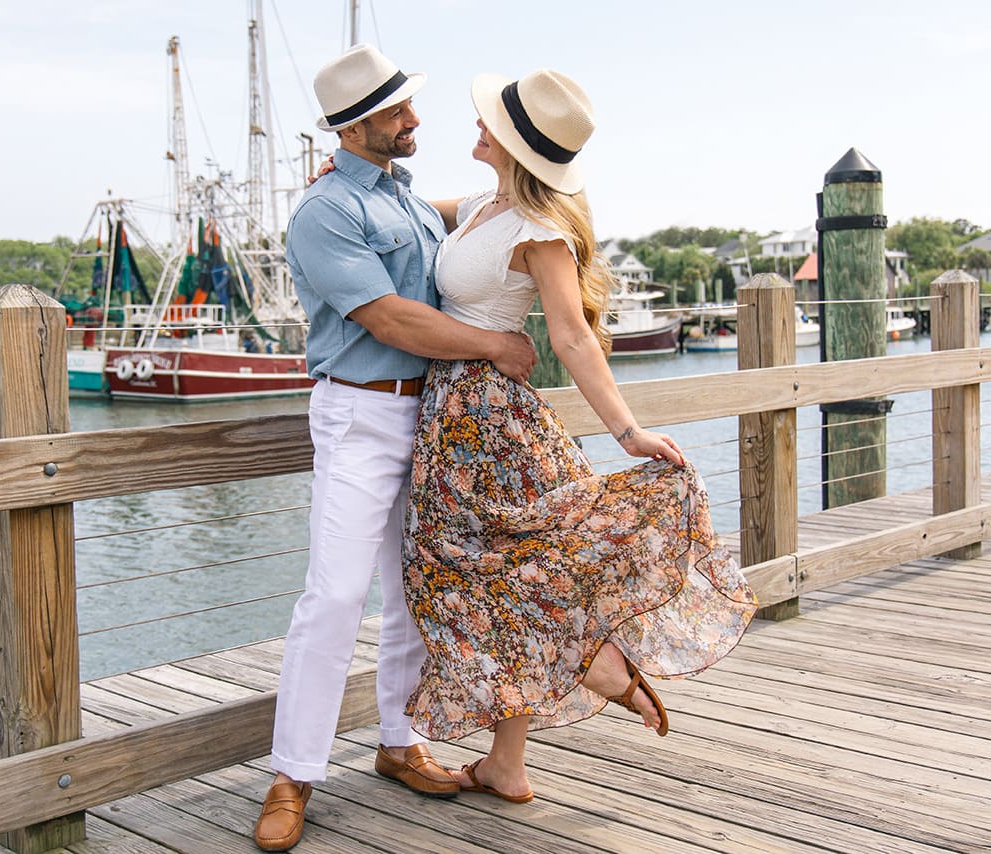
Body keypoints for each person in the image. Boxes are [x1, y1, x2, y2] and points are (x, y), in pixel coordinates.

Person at [401, 69, 758, 802]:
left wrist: (626, 430)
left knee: (465, 570)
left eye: (487, 121)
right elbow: (397, 210)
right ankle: (507, 762)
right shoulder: (477, 205)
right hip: (452, 417)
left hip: (492, 420)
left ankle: (595, 660)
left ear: (512, 143)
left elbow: (571, 335)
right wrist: (342, 177)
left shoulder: (541, 233)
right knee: (507, 568)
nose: (474, 127)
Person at [254, 45, 538, 852]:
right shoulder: (325, 212)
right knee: (336, 597)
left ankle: (399, 739)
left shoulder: (406, 197)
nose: (415, 120)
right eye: (398, 111)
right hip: (362, 415)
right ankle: (292, 773)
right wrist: (496, 346)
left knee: (416, 588)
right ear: (354, 126)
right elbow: (389, 319)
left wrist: (539, 187)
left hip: (431, 418)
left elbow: (481, 214)